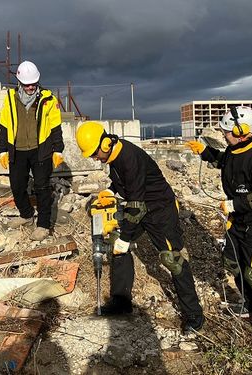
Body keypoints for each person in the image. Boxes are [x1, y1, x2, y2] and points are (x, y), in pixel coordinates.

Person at [76, 121, 204, 333]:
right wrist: (109, 191)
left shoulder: (129, 158)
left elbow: (136, 205)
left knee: (173, 260)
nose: (93, 158)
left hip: (160, 210)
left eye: (94, 153)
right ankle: (121, 302)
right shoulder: (114, 156)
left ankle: (194, 317)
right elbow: (124, 185)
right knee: (116, 242)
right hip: (141, 207)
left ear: (105, 144)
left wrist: (127, 239)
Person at [186, 106, 252, 333]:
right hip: (241, 221)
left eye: (227, 131)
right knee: (233, 262)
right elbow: (224, 161)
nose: (223, 134)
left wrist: (234, 204)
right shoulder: (235, 150)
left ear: (242, 131)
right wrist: (204, 151)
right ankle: (251, 306)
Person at [0, 61, 64, 241]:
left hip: (40, 149)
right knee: (17, 186)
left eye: (33, 83)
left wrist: (58, 149)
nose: (30, 87)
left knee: (42, 187)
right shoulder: (10, 99)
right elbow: (4, 125)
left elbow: (56, 126)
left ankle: (43, 225)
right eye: (27, 84)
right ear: (19, 82)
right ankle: (26, 215)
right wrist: (3, 149)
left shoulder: (48, 99)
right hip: (17, 150)